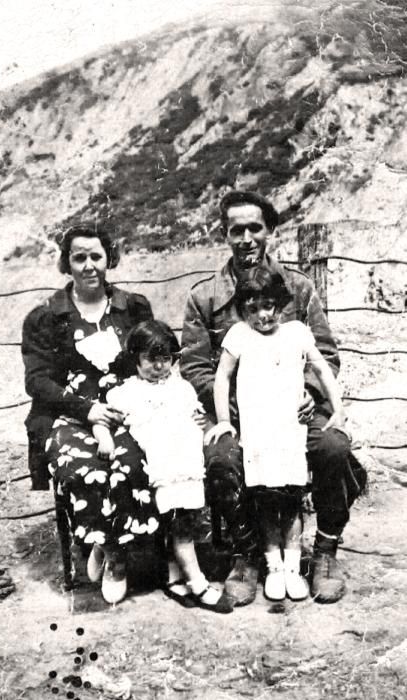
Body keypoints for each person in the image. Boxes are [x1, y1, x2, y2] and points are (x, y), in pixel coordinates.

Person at [180, 189, 367, 606]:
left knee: (333, 447)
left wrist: (307, 393)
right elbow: (195, 367)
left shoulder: (298, 288)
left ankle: (325, 552)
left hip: (295, 411)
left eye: (255, 228)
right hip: (235, 413)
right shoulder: (204, 297)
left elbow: (325, 355)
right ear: (224, 234)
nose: (246, 239)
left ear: (270, 232)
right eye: (236, 230)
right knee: (223, 458)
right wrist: (236, 408)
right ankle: (247, 555)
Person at [22, 222, 160, 605]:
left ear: (109, 259)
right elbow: (38, 381)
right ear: (66, 263)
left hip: (126, 408)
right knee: (84, 468)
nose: (88, 266)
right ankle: (115, 555)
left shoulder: (132, 308)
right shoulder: (46, 316)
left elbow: (150, 358)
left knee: (133, 462)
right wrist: (88, 410)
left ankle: (109, 544)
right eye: (78, 257)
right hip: (69, 414)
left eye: (96, 256)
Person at [205, 272, 347, 601]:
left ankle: (294, 567)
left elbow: (322, 369)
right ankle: (273, 566)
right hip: (258, 431)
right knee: (266, 498)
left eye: (268, 306)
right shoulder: (239, 335)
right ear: (242, 310)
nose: (262, 315)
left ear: (280, 304)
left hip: (290, 429)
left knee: (292, 498)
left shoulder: (296, 332)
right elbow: (222, 377)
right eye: (252, 309)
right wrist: (224, 420)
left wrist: (338, 409)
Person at [94, 320, 232, 613]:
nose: (159, 366)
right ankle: (196, 581)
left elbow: (198, 418)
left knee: (185, 520)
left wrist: (205, 425)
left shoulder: (182, 388)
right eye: (150, 359)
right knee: (180, 523)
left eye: (165, 359)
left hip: (187, 465)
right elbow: (102, 420)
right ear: (135, 359)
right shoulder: (126, 393)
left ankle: (175, 574)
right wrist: (104, 437)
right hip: (161, 468)